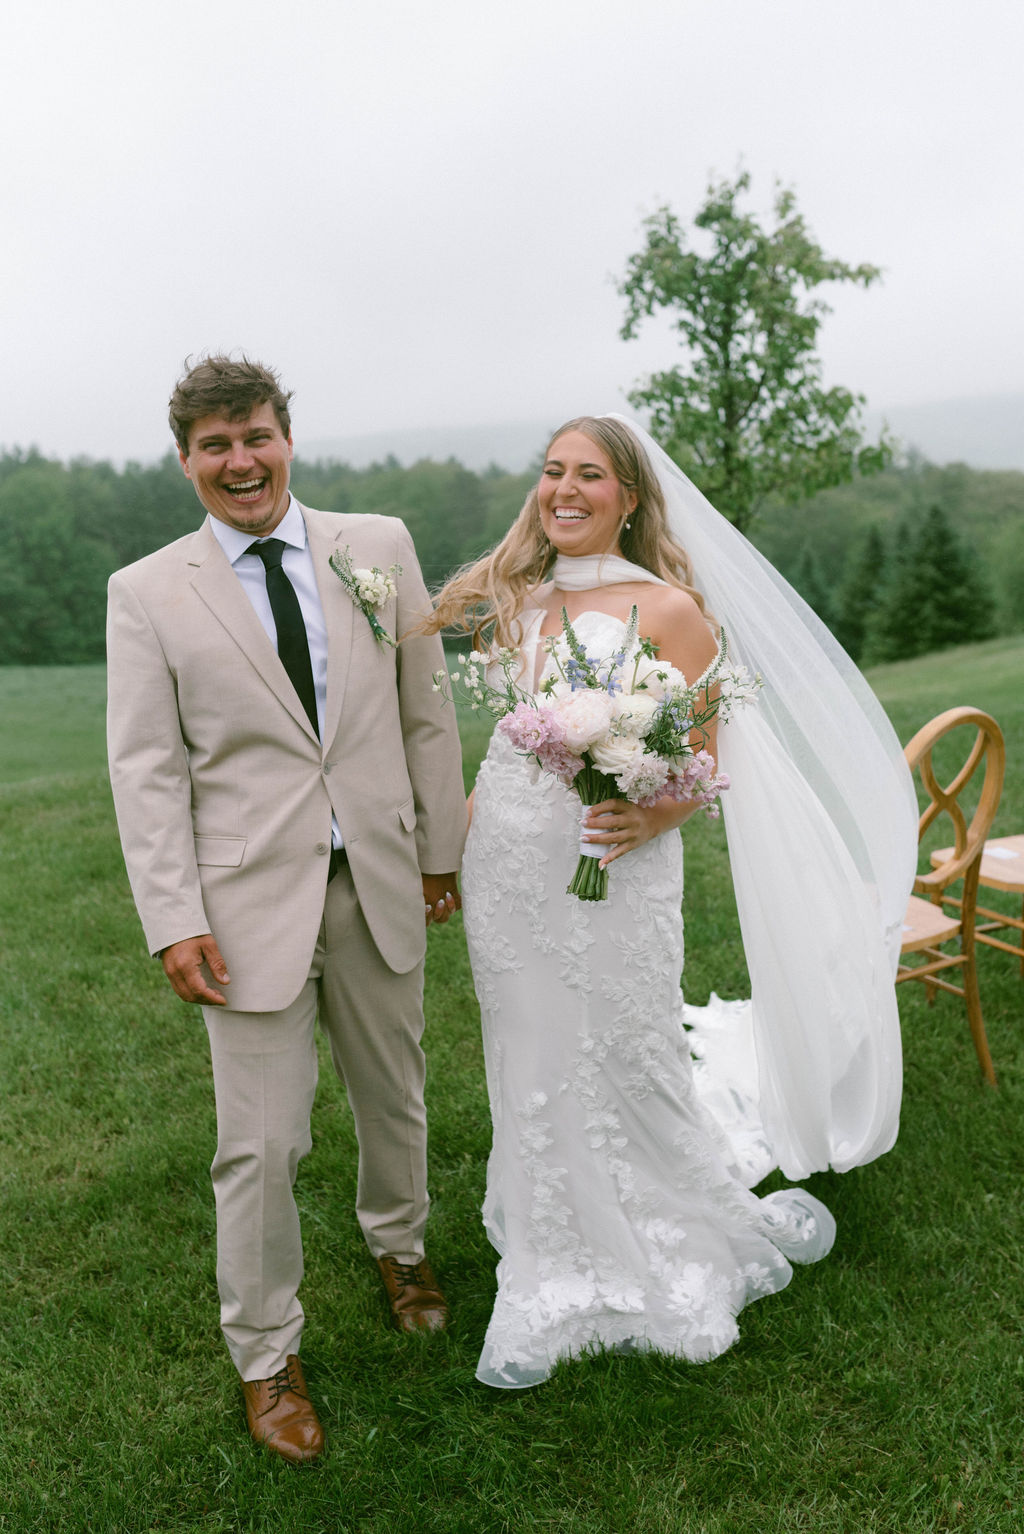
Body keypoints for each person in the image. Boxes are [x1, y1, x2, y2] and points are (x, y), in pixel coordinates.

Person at [429, 414, 918, 1389]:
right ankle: (547, 1233)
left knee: (622, 1042)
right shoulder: (517, 602)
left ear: (629, 497)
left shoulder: (673, 608)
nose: (564, 489)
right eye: (552, 470)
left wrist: (649, 821)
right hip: (511, 870)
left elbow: (705, 762)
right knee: (527, 1052)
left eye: (590, 475)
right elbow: (503, 748)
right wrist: (453, 852)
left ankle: (658, 1225)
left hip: (618, 865)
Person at [106, 356, 467, 1461]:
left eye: (254, 435)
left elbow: (425, 712)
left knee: (395, 1094)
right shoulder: (148, 591)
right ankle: (266, 1353)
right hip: (242, 902)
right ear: (187, 463)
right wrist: (173, 916)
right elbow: (147, 769)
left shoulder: (379, 548)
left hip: (380, 878)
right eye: (214, 446)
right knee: (260, 1145)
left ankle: (399, 1245)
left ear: (286, 437)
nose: (240, 461)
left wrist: (439, 850)